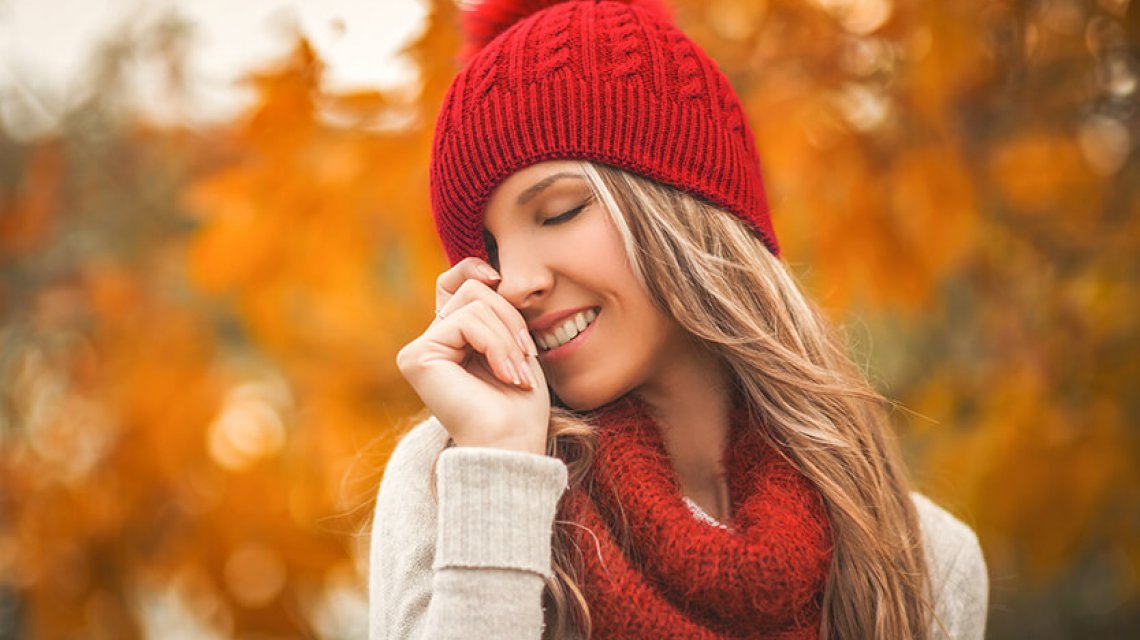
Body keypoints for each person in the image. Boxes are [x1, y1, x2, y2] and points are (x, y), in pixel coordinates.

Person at [369, 1, 989, 638]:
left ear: (684, 208)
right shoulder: (455, 479)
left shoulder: (927, 563)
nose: (518, 281)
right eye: (490, 254)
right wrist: (499, 468)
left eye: (559, 212)